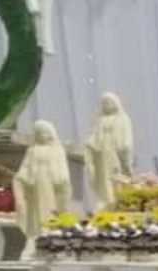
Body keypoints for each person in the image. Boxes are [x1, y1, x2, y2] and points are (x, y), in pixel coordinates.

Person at [12, 119, 71, 256]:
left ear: (50, 134)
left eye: (44, 133)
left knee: (49, 211)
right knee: (34, 213)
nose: (42, 136)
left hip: (49, 185)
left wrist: (62, 181)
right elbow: (26, 168)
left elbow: (62, 170)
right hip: (34, 186)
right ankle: (34, 238)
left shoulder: (57, 150)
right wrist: (21, 179)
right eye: (39, 133)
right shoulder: (32, 150)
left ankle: (49, 236)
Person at [84, 91, 133, 208]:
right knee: (104, 176)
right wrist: (89, 144)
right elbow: (95, 135)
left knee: (116, 175)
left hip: (115, 151)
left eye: (108, 102)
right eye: (104, 103)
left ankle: (119, 198)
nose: (106, 105)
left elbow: (126, 137)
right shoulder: (100, 119)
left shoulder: (123, 118)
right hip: (102, 152)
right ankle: (107, 199)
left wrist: (125, 149)